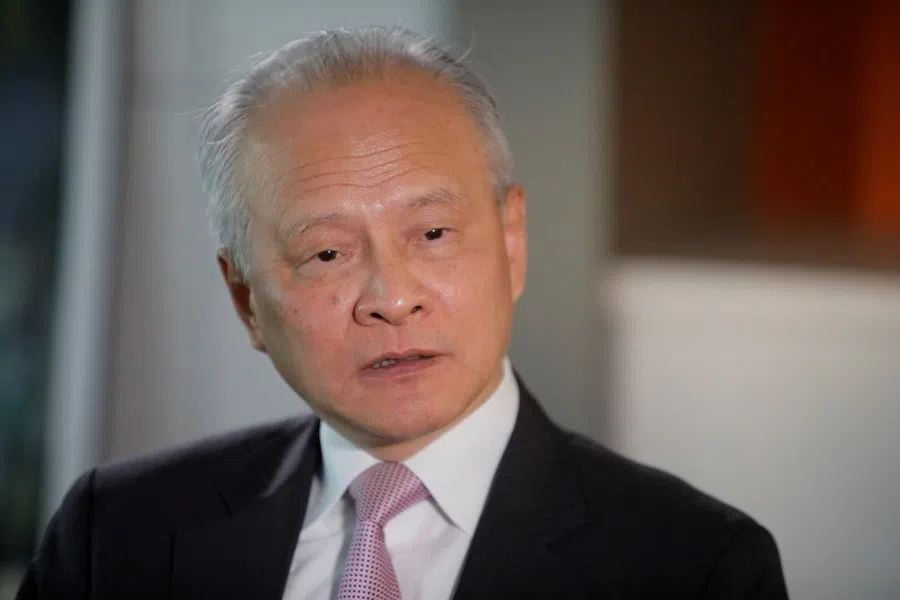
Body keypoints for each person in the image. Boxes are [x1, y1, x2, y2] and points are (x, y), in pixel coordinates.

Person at [17, 26, 788, 599]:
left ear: (512, 243)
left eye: (433, 234)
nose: (391, 298)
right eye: (327, 255)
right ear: (246, 300)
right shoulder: (115, 535)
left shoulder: (695, 567)